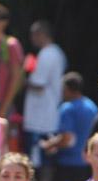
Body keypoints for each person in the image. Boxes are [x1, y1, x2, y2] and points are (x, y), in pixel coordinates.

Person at [22, 21, 66, 168]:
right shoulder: (57, 52)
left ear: (41, 34)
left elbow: (38, 83)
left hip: (41, 117)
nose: (32, 39)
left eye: (33, 35)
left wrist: (22, 80)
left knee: (39, 159)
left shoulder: (47, 54)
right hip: (49, 113)